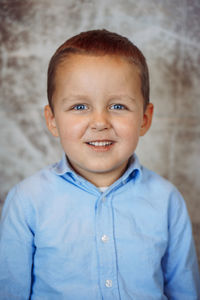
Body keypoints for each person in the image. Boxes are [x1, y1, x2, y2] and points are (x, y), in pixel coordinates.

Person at [0, 29, 199, 300]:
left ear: (144, 118)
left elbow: (184, 291)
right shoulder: (26, 201)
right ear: (52, 120)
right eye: (80, 107)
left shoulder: (167, 201)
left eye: (117, 106)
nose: (100, 122)